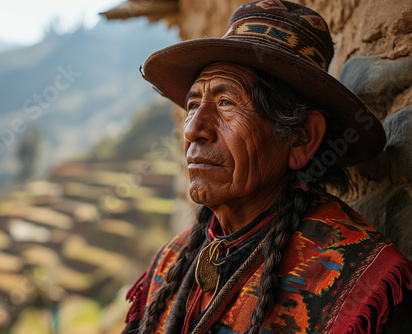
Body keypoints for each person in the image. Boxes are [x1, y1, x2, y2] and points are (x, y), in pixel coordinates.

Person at [122, 1, 412, 333]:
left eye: (226, 102)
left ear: (301, 138)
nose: (192, 130)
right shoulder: (169, 264)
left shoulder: (359, 282)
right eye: (193, 104)